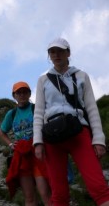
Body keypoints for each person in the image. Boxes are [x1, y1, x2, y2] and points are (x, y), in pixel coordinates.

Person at [33, 38, 109, 206]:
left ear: (68, 53)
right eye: (52, 52)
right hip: (52, 137)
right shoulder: (43, 80)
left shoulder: (81, 76)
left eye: (60, 51)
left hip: (78, 132)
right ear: (49, 56)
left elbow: (91, 108)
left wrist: (98, 139)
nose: (56, 55)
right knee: (59, 192)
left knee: (98, 184)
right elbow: (38, 112)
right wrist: (38, 142)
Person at [0, 81, 51, 206]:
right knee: (29, 197)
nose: (22, 95)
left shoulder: (35, 109)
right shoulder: (11, 114)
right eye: (18, 93)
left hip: (38, 152)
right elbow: (1, 132)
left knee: (45, 193)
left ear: (29, 94)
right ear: (14, 96)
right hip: (22, 157)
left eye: (24, 92)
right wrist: (11, 144)